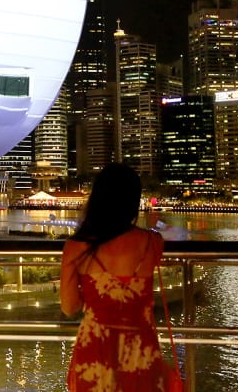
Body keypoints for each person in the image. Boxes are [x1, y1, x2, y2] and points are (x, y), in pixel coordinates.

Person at [60, 163, 169, 391]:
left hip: (95, 348)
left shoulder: (76, 247)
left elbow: (69, 307)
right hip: (140, 348)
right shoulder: (152, 242)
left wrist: (93, 297)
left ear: (97, 199)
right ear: (132, 202)